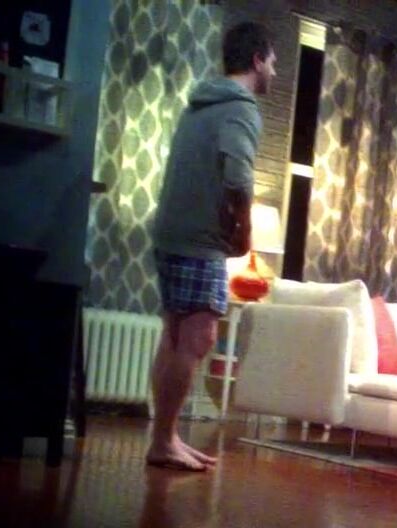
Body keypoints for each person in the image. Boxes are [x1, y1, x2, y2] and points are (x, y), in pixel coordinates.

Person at [147, 21, 276, 471]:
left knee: (175, 334)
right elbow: (238, 175)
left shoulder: (201, 103)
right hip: (199, 239)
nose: (274, 72)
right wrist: (243, 232)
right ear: (257, 59)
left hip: (171, 231)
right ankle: (164, 441)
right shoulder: (241, 108)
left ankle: (163, 438)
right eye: (273, 62)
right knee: (199, 336)